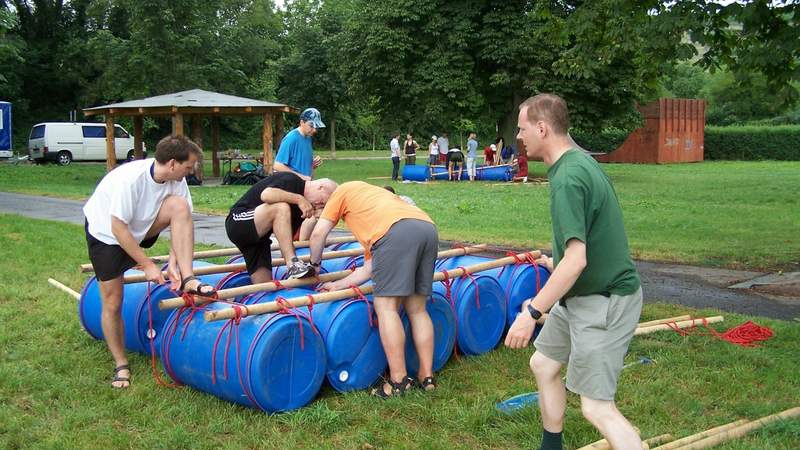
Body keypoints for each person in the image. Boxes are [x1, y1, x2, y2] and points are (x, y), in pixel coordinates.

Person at [505, 94, 643, 450]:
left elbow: (576, 260)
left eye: (522, 129)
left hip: (605, 301)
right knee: (543, 363)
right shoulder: (579, 163)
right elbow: (585, 243)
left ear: (541, 128)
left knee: (597, 408)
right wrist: (557, 264)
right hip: (580, 295)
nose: (518, 137)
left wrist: (532, 313)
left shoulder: (568, 178)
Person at [83, 135, 211, 389]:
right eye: (188, 166)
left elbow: (181, 223)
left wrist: (175, 262)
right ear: (173, 163)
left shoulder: (177, 181)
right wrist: (148, 265)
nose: (191, 171)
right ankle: (121, 364)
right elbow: (118, 229)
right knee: (113, 301)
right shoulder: (130, 180)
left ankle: (188, 277)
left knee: (179, 205)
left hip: (143, 226)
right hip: (107, 234)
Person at [308, 181, 438, 398]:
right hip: (426, 226)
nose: (317, 206)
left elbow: (317, 235)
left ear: (324, 189)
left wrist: (313, 265)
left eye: (317, 204)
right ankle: (427, 377)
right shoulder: (372, 203)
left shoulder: (340, 192)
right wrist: (339, 285)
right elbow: (370, 266)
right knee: (417, 308)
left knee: (386, 306)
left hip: (397, 232)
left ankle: (398, 381)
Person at [226, 172, 337, 283]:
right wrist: (299, 199)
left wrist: (317, 218)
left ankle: (292, 267)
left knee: (263, 287)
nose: (318, 205)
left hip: (260, 239)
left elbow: (287, 240)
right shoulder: (292, 180)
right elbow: (266, 195)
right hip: (239, 220)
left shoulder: (301, 209)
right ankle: (293, 264)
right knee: (281, 207)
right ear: (320, 187)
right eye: (321, 202)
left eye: (322, 206)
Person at [273, 107, 325, 181]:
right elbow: (277, 165)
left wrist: (312, 165)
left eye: (316, 127)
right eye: (311, 126)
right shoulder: (291, 138)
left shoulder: (308, 137)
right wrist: (301, 177)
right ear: (302, 122)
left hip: (305, 185)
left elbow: (299, 163)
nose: (314, 130)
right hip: (292, 185)